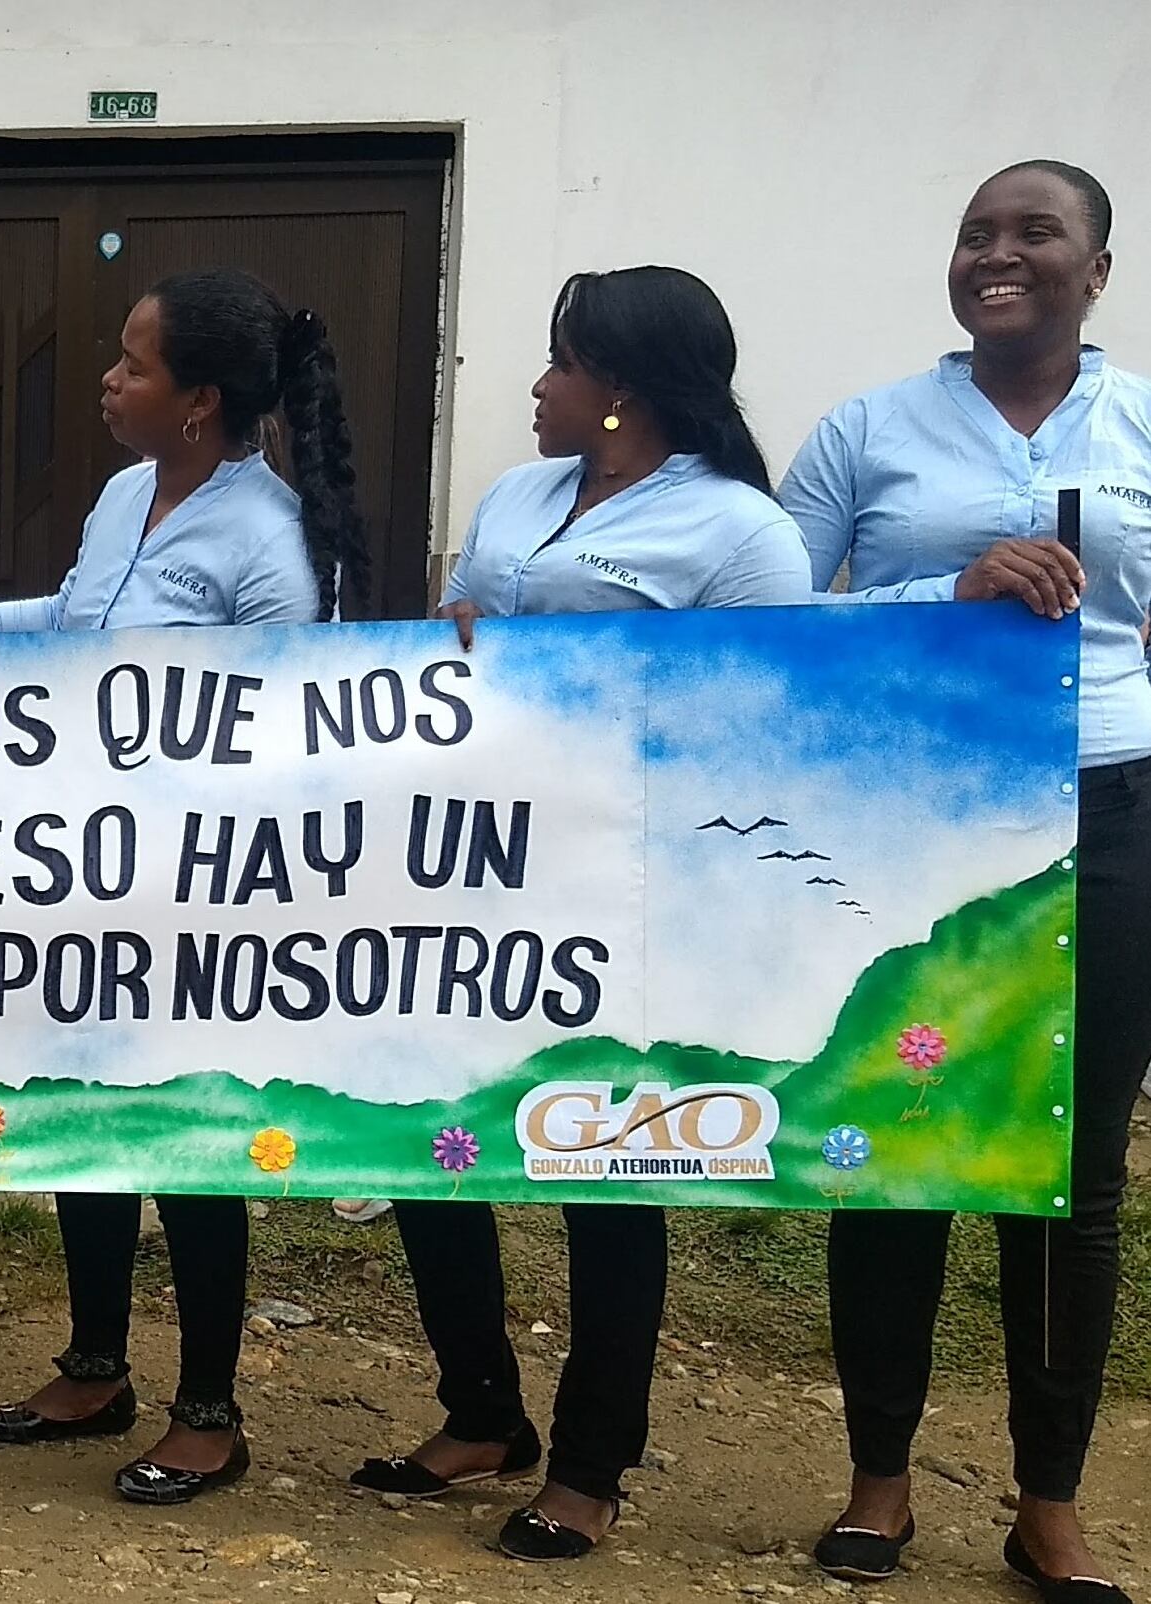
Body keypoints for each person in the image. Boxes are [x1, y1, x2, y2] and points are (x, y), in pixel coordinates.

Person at [0, 267, 369, 1504]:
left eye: (132, 364)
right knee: (81, 1112)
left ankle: (209, 1408)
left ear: (197, 400)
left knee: (189, 1134)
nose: (107, 378)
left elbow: (295, 711)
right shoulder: (119, 496)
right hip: (81, 870)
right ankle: (95, 1366)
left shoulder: (267, 534)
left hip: (195, 893)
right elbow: (68, 624)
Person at [351, 265, 811, 1561]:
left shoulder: (735, 535)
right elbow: (452, 646)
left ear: (620, 388)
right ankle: (480, 1413)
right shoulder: (516, 497)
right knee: (428, 1138)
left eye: (559, 364)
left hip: (623, 884)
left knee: (606, 1159)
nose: (537, 387)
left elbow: (755, 718)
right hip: (469, 868)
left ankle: (590, 1464)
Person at [781, 159, 1146, 1604]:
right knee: (896, 1145)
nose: (997, 254)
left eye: (1033, 233)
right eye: (974, 234)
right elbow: (771, 621)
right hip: (912, 822)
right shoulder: (867, 431)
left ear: (1095, 269)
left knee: (1070, 1172)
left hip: (1110, 803)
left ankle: (1045, 1504)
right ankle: (879, 1480)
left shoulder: (1141, 427)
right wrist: (946, 593)